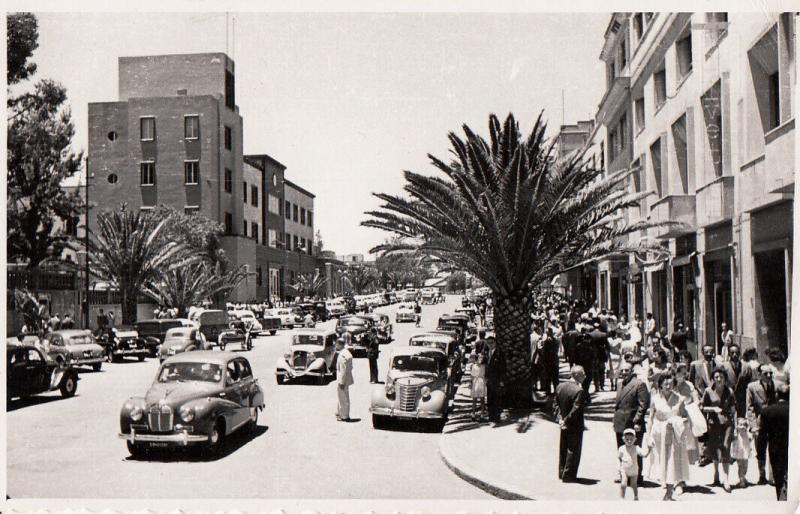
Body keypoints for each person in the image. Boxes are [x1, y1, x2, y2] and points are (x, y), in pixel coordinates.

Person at [645, 373, 690, 501]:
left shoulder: (679, 399)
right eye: (665, 384)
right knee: (661, 458)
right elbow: (650, 418)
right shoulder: (654, 398)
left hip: (674, 432)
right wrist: (648, 436)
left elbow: (685, 417)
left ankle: (678, 483)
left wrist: (677, 421)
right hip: (658, 432)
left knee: (675, 457)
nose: (668, 386)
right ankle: (665, 482)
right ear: (660, 385)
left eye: (670, 384)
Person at [613, 362, 650, 487]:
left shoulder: (639, 384)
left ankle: (637, 476)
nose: (623, 373)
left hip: (632, 423)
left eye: (626, 370)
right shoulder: (619, 385)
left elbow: (643, 404)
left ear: (632, 372)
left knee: (634, 451)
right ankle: (623, 475)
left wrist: (637, 421)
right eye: (621, 371)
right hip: (620, 422)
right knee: (622, 451)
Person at [701, 368, 736, 492]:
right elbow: (702, 407)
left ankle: (726, 479)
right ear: (713, 379)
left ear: (725, 378)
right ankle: (716, 474)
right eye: (716, 377)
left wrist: (735, 429)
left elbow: (733, 411)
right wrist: (712, 409)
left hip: (727, 424)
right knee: (714, 449)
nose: (719, 379)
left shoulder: (729, 391)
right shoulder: (708, 391)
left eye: (721, 377)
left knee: (726, 448)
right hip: (713, 424)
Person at [553, 365, 588, 482]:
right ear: (577, 375)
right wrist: (567, 420)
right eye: (583, 374)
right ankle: (569, 475)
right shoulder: (579, 391)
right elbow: (576, 409)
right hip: (574, 424)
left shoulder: (560, 386)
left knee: (563, 448)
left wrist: (560, 419)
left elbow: (555, 405)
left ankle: (561, 471)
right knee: (573, 449)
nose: (585, 376)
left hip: (563, 423)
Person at [746, 363, 777, 485]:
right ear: (759, 375)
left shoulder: (777, 386)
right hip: (759, 423)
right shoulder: (752, 387)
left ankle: (773, 476)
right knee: (760, 449)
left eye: (771, 373)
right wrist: (753, 426)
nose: (769, 376)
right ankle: (762, 475)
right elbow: (750, 408)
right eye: (765, 373)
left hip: (774, 424)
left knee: (774, 450)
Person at [759, 383, 789, 500]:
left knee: (779, 480)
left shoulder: (767, 411)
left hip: (776, 451)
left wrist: (760, 455)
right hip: (793, 450)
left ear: (777, 395)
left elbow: (762, 436)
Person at [618, 428, 653, 500]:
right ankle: (622, 498)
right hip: (624, 469)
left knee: (633, 485)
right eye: (627, 439)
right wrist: (619, 467)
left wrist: (649, 449)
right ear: (623, 439)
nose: (629, 441)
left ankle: (636, 496)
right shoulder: (622, 448)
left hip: (634, 470)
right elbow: (618, 458)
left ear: (635, 439)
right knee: (623, 484)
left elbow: (645, 455)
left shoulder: (636, 448)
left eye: (631, 439)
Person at [485, 337, 506, 422]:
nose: (490, 344)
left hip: (497, 380)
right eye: (488, 343)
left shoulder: (499, 353)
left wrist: (502, 380)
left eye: (492, 342)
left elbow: (503, 368)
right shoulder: (487, 353)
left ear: (495, 343)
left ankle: (497, 417)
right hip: (489, 380)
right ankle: (491, 417)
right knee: (490, 398)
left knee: (497, 399)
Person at [335, 338, 354, 421]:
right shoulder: (347, 353)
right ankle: (340, 413)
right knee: (343, 397)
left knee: (343, 398)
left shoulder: (342, 355)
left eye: (336, 344)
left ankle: (344, 416)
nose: (336, 345)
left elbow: (343, 369)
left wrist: (341, 382)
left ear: (340, 344)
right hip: (347, 378)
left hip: (343, 379)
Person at [469, 353, 487, 420]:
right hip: (475, 383)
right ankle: (473, 414)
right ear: (477, 358)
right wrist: (471, 384)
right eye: (479, 358)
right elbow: (472, 376)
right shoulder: (474, 366)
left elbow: (485, 375)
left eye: (482, 358)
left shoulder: (484, 366)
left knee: (482, 400)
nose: (480, 359)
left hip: (482, 382)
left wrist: (485, 382)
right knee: (474, 399)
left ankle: (482, 414)